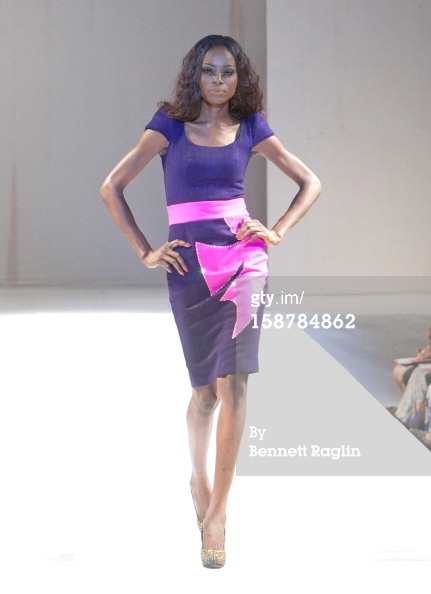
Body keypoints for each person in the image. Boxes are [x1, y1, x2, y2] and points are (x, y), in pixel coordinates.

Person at [100, 34, 321, 568]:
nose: (218, 80)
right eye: (209, 71)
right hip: (189, 270)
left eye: (227, 72)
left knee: (235, 384)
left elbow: (309, 181)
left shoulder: (252, 127)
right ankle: (197, 480)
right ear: (194, 75)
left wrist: (276, 231)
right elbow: (112, 186)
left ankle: (218, 513)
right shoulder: (169, 127)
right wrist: (146, 251)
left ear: (239, 77)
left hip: (244, 263)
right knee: (204, 394)